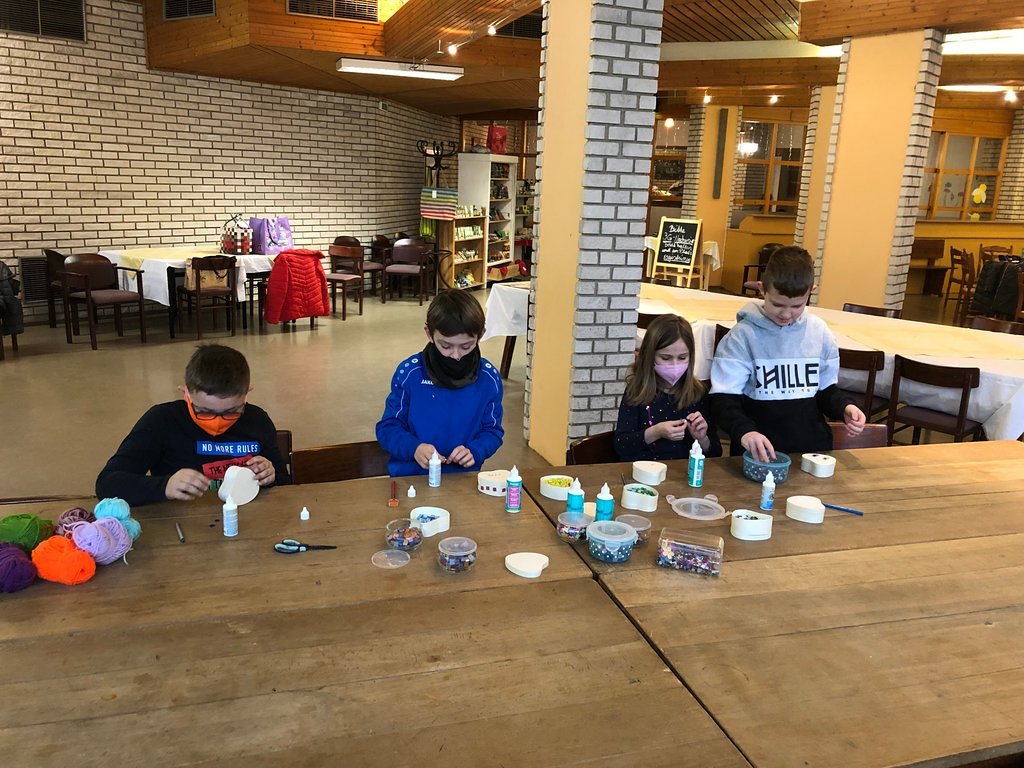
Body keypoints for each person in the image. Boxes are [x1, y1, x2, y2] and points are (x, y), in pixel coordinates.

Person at [711, 246, 866, 461]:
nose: (786, 314)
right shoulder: (742, 336)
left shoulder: (819, 332)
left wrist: (845, 407)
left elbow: (825, 390)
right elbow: (723, 400)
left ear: (811, 291)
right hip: (759, 455)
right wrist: (745, 431)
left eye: (797, 306)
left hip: (812, 451)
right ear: (762, 289)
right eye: (777, 304)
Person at [96, 344, 289, 506]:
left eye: (231, 412)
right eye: (204, 411)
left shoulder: (257, 420)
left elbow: (285, 485)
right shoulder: (162, 421)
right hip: (182, 523)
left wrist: (269, 476)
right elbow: (107, 484)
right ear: (186, 393)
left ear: (247, 393)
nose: (218, 421)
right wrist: (164, 486)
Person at [376, 289, 503, 477]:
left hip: (462, 480)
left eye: (466, 346)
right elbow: (387, 428)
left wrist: (475, 451)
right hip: (411, 478)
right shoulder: (410, 373)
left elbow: (492, 431)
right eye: (445, 345)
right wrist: (414, 448)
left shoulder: (488, 378)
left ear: (481, 334)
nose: (456, 355)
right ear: (429, 333)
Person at [615, 313, 721, 461]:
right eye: (666, 358)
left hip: (684, 471)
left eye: (682, 357)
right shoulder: (637, 391)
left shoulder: (698, 393)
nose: (675, 365)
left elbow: (716, 452)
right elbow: (622, 445)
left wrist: (702, 438)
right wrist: (656, 432)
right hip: (644, 471)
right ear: (650, 356)